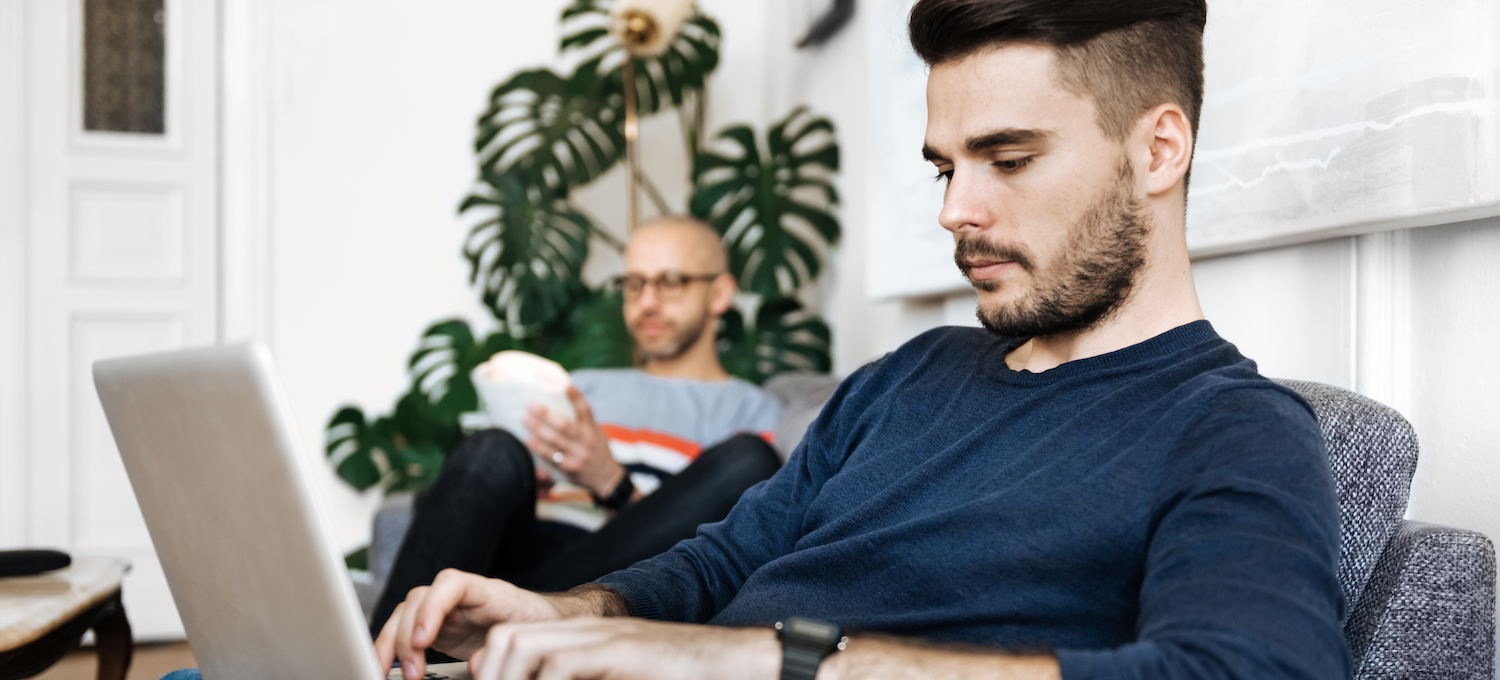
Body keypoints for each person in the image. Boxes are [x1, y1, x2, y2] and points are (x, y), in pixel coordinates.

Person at [376, 0, 1350, 678]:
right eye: (945, 169)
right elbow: (717, 561)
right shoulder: (909, 375)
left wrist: (769, 659)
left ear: (1158, 149)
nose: (958, 211)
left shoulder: (1232, 429)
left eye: (1008, 158)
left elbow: (1248, 666)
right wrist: (561, 612)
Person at [367, 215, 784, 638]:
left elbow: (732, 548)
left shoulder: (751, 410)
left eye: (671, 281)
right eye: (634, 283)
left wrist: (611, 481)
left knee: (749, 459)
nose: (648, 302)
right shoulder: (580, 386)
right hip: (519, 556)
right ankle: (377, 660)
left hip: (608, 582)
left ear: (720, 293)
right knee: (492, 448)